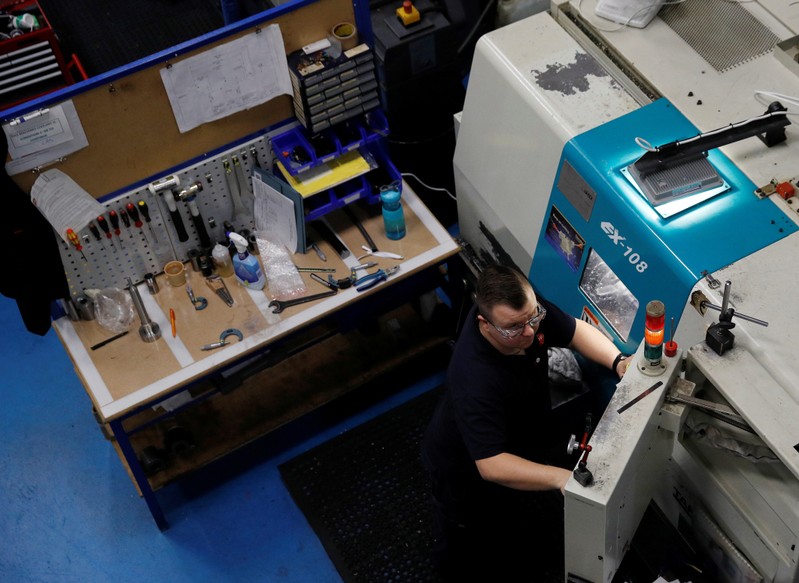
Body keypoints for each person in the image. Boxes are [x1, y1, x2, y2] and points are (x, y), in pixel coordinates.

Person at [421, 263, 630, 581]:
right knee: (462, 544)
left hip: (514, 431)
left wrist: (619, 363)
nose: (530, 333)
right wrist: (560, 478)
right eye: (515, 328)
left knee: (509, 522)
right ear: (484, 323)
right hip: (465, 471)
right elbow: (492, 466)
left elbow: (573, 331)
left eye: (533, 318)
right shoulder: (474, 380)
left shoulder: (523, 315)